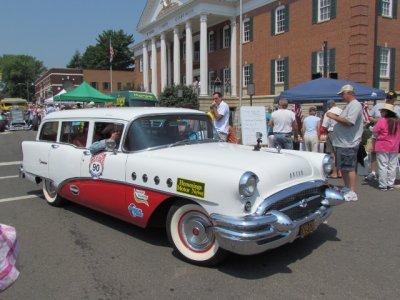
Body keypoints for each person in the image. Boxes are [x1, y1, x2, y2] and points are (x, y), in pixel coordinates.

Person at [327, 84, 363, 202]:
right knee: (344, 168)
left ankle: (352, 191)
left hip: (348, 142)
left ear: (348, 93)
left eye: (342, 94)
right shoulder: (350, 105)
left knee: (349, 167)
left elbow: (349, 122)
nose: (342, 97)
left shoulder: (355, 105)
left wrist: (333, 116)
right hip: (343, 142)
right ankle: (348, 188)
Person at [365, 90, 400, 181]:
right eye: (388, 97)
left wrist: (385, 122)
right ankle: (373, 172)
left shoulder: (397, 108)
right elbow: (369, 117)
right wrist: (378, 121)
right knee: (373, 152)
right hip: (376, 132)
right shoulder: (378, 106)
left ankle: (386, 177)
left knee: (388, 157)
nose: (389, 99)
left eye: (391, 98)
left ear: (395, 99)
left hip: (390, 135)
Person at [373, 104, 400, 191]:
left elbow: (375, 130)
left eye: (382, 111)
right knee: (392, 166)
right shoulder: (397, 121)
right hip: (395, 146)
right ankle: (390, 184)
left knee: (383, 166)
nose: (380, 112)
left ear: (386, 112)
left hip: (382, 145)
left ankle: (383, 184)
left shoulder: (382, 120)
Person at [322, 99, 343, 178]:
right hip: (341, 133)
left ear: (329, 105)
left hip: (332, 131)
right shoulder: (341, 111)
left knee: (333, 154)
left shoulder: (328, 112)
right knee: (339, 152)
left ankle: (334, 172)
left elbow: (324, 125)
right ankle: (340, 172)